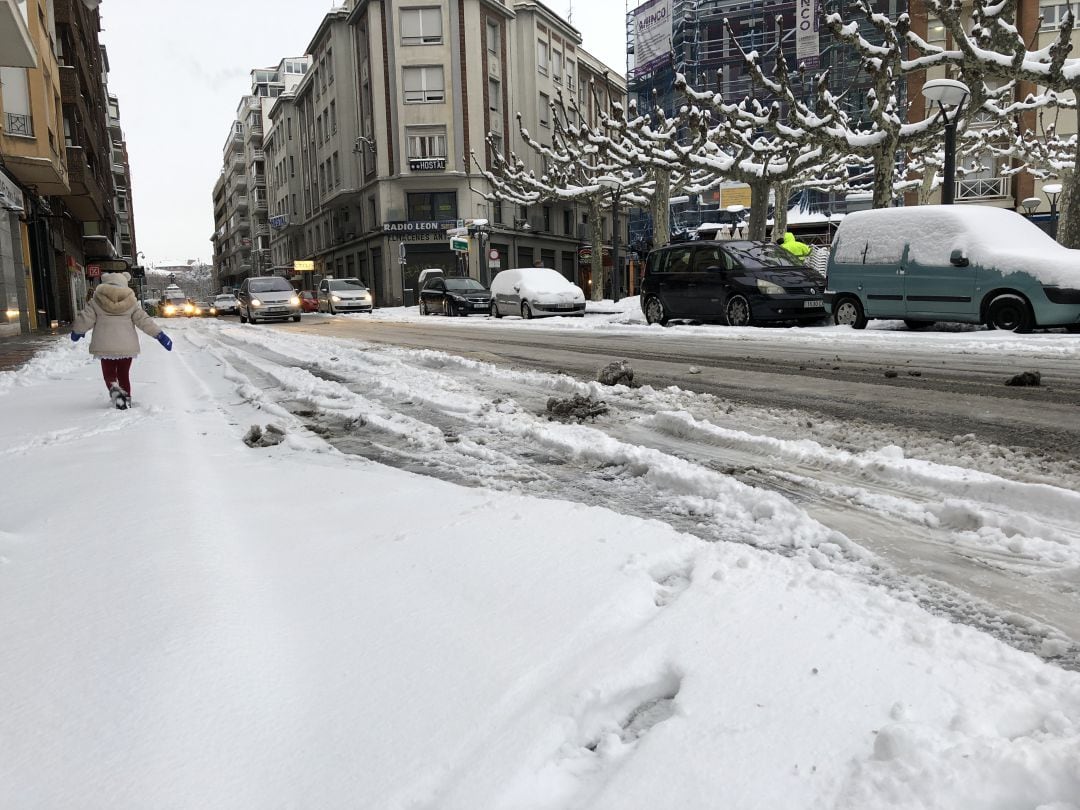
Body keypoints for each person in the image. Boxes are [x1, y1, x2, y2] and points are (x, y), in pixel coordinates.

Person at [70, 271, 172, 409]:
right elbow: (144, 321)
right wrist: (159, 335)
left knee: (109, 375)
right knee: (123, 374)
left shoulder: (96, 302)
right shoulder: (131, 303)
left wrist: (78, 331)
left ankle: (116, 393)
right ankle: (126, 399)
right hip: (126, 347)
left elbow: (85, 318)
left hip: (104, 347)